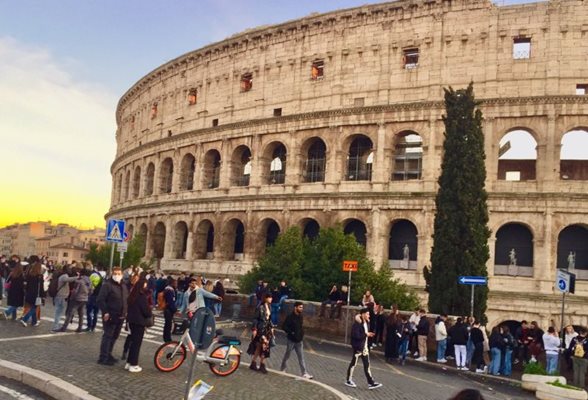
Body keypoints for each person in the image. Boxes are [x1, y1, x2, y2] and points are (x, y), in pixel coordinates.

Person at [96, 267, 129, 365]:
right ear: (112, 274)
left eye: (119, 273)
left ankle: (109, 354)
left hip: (121, 316)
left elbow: (125, 299)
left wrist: (126, 311)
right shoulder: (107, 285)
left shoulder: (123, 285)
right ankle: (103, 357)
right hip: (110, 315)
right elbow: (100, 300)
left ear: (122, 275)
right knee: (107, 336)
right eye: (115, 273)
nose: (117, 275)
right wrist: (105, 312)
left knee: (115, 336)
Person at [344, 307, 383, 390]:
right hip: (358, 348)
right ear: (363, 314)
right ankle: (348, 380)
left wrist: (367, 335)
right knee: (353, 364)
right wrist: (366, 334)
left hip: (364, 348)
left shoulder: (366, 323)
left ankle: (371, 383)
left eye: (369, 314)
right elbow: (356, 336)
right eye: (367, 314)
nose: (369, 316)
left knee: (367, 365)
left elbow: (365, 334)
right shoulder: (357, 324)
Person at [125, 276, 152, 373]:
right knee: (136, 344)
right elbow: (147, 312)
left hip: (132, 321)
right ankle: (133, 364)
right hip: (139, 322)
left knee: (133, 343)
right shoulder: (141, 297)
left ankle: (129, 362)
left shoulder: (132, 295)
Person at [280, 301, 313, 379]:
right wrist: (291, 332)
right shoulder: (290, 317)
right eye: (300, 307)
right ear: (295, 307)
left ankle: (304, 372)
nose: (301, 309)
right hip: (291, 340)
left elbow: (300, 327)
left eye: (302, 307)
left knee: (301, 357)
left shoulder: (300, 317)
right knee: (287, 355)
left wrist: (301, 334)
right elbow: (284, 326)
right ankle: (282, 368)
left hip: (299, 340)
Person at [247, 293, 274, 373]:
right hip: (261, 329)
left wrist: (272, 328)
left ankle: (253, 363)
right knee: (264, 347)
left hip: (267, 330)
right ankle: (262, 365)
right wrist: (254, 329)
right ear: (265, 298)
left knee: (259, 348)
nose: (271, 299)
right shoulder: (260, 307)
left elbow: (269, 319)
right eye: (269, 297)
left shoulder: (269, 307)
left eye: (271, 297)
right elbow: (255, 319)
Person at [58, 268, 91, 332]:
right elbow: (91, 290)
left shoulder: (79, 280)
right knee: (81, 314)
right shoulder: (89, 281)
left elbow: (75, 291)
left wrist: (72, 297)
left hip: (77, 298)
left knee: (70, 313)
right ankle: (80, 328)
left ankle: (64, 328)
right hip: (85, 298)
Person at [19, 260, 45, 327]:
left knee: (33, 307)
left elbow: (26, 285)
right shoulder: (40, 276)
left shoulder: (29, 274)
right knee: (34, 307)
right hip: (36, 295)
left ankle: (34, 322)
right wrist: (43, 295)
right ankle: (24, 319)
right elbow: (41, 287)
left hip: (29, 293)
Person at [86, 265, 103, 332]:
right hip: (98, 296)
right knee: (96, 313)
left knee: (89, 311)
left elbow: (90, 285)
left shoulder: (93, 275)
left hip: (92, 295)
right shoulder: (101, 276)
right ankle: (93, 326)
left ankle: (89, 326)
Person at [162, 277, 178, 343]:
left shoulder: (168, 289)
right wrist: (175, 310)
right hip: (168, 309)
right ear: (172, 283)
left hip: (168, 309)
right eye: (175, 283)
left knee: (168, 324)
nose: (176, 284)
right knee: (168, 325)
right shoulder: (170, 290)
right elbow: (170, 301)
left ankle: (166, 337)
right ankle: (167, 338)